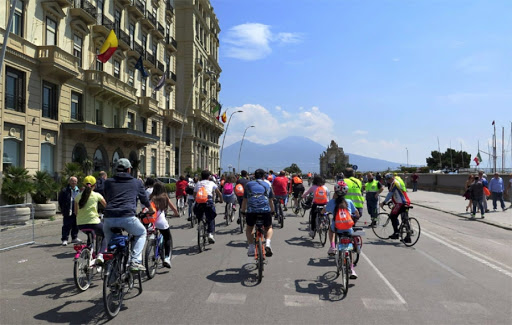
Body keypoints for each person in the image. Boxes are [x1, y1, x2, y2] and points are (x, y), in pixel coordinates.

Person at [103, 158, 153, 272]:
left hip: (109, 218)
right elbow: (144, 200)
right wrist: (150, 210)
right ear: (129, 169)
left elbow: (107, 196)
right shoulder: (137, 182)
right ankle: (134, 260)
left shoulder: (108, 182)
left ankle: (112, 278)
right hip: (127, 217)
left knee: (111, 247)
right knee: (142, 233)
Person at [322, 181, 359, 279]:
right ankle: (352, 269)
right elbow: (357, 213)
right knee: (349, 249)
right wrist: (355, 216)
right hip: (348, 228)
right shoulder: (349, 202)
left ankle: (332, 247)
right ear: (346, 192)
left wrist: (323, 212)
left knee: (330, 229)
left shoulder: (332, 202)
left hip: (337, 228)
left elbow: (324, 211)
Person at [241, 168, 275, 256]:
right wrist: (272, 210)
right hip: (265, 210)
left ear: (254, 176)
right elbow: (271, 200)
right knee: (269, 227)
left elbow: (245, 200)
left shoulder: (248, 185)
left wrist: (243, 211)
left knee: (249, 228)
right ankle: (267, 243)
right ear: (264, 176)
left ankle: (251, 247)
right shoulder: (267, 185)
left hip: (252, 210)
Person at [74, 175, 107, 264]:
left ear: (83, 185)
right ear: (94, 185)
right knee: (106, 233)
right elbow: (107, 207)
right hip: (94, 222)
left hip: (80, 224)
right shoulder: (96, 195)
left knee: (91, 234)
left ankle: (89, 250)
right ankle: (100, 254)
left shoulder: (77, 197)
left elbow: (76, 212)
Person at [149, 182, 179, 268]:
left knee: (153, 235)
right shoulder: (165, 197)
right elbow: (173, 208)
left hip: (151, 221)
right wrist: (176, 214)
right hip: (161, 222)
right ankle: (166, 258)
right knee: (167, 238)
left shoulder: (151, 198)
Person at [379, 173, 411, 242]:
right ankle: (408, 236)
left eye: (389, 179)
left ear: (392, 178)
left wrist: (384, 202)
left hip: (400, 203)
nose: (388, 181)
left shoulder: (394, 184)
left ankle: (396, 233)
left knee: (393, 216)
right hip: (405, 201)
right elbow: (397, 194)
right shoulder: (397, 182)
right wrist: (392, 201)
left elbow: (390, 194)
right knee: (404, 219)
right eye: (387, 179)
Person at [194, 170, 223, 243]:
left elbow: (194, 194)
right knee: (211, 217)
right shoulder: (211, 183)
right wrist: (221, 200)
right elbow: (219, 193)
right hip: (208, 201)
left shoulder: (198, 183)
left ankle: (200, 224)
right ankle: (210, 233)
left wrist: (196, 200)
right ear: (209, 177)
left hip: (199, 202)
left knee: (199, 214)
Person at [58, 176, 81, 246]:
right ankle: (65, 239)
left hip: (76, 211)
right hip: (68, 211)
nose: (73, 182)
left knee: (75, 225)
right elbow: (60, 200)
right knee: (66, 225)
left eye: (75, 181)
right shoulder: (65, 190)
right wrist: (63, 209)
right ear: (69, 182)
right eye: (72, 181)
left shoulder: (78, 190)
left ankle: (74, 237)